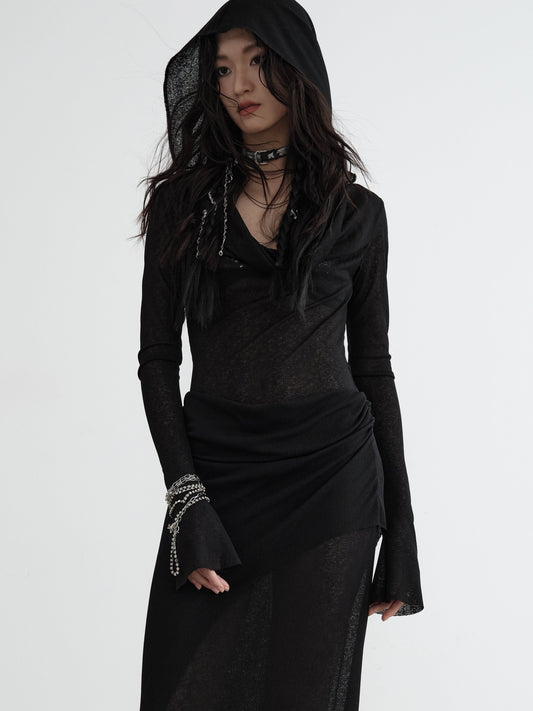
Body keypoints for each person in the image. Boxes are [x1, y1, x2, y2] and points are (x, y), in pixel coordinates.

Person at [135, 1, 424, 709]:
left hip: (332, 481)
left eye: (257, 62)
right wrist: (187, 498)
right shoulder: (182, 206)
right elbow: (157, 359)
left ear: (297, 68)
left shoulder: (358, 214)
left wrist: (403, 533)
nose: (238, 84)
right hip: (219, 479)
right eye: (222, 69)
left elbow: (373, 369)